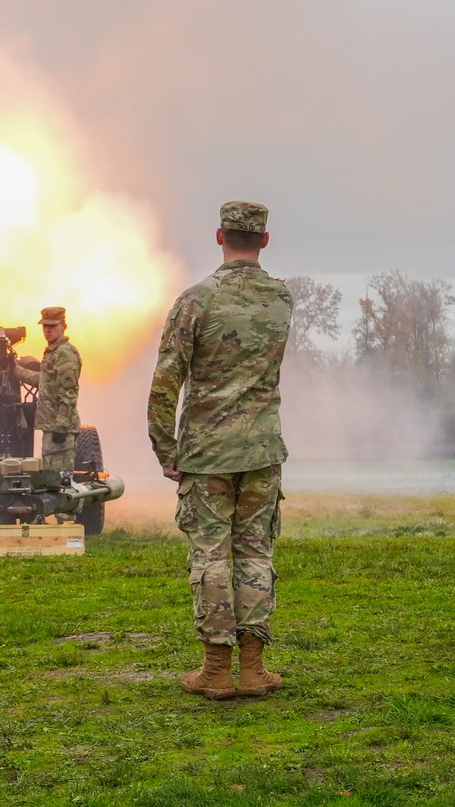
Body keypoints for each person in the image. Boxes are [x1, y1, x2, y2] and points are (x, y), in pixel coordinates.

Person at [147, 201, 293, 700]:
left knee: (210, 554)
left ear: (219, 236)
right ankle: (253, 669)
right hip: (262, 449)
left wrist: (165, 447)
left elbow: (166, 382)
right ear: (265, 241)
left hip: (207, 453)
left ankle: (215, 671)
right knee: (255, 551)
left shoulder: (195, 300)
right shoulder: (281, 299)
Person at [13, 306, 82, 473]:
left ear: (63, 326)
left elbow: (69, 392)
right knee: (51, 478)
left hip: (59, 431)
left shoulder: (64, 353)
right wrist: (15, 370)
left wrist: (61, 426)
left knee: (58, 481)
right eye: (45, 327)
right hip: (51, 427)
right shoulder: (53, 352)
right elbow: (45, 381)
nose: (48, 331)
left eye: (52, 326)